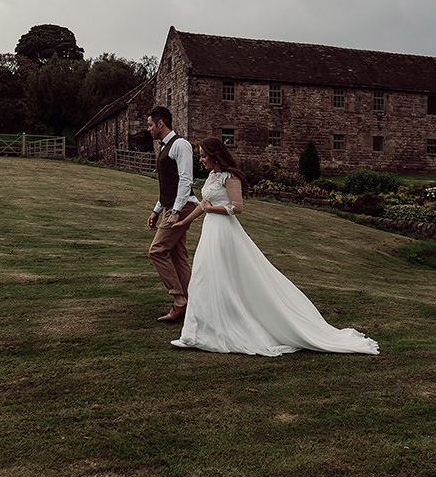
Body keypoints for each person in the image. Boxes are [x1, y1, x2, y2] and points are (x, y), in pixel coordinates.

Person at [169, 137, 379, 357]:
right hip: (210, 231)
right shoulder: (212, 176)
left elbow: (237, 208)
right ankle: (195, 332)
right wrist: (184, 222)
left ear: (215, 155)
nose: (201, 160)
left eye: (203, 155)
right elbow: (204, 204)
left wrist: (214, 210)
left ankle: (219, 328)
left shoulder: (231, 178)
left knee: (222, 276)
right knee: (204, 276)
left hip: (225, 232)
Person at [146, 106, 199, 322]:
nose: (148, 128)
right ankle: (193, 302)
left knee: (157, 250)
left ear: (161, 123)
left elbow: (186, 180)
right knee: (177, 255)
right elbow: (169, 185)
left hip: (182, 206)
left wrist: (176, 211)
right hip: (172, 206)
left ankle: (179, 301)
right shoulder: (165, 147)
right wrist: (156, 211)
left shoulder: (181, 145)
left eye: (150, 124)